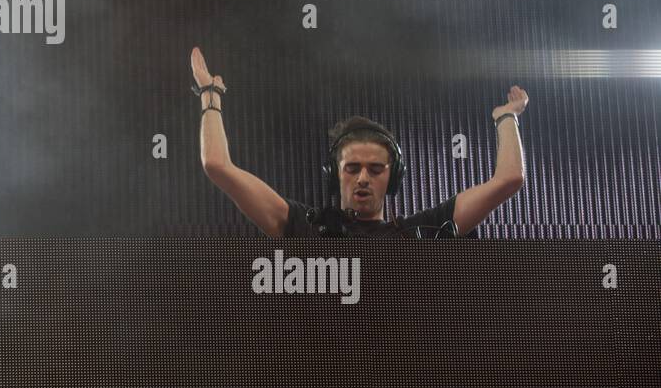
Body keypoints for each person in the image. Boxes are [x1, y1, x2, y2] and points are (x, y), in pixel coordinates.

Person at [188, 47, 527, 238]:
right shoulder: (302, 227)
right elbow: (217, 165)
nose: (363, 177)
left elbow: (509, 180)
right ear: (334, 174)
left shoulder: (420, 232)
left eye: (376, 169)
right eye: (352, 168)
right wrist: (210, 93)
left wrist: (506, 117)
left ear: (393, 177)